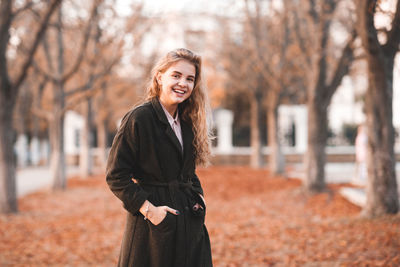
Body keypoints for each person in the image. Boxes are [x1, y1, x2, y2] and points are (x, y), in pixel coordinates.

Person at [106, 48, 213, 267]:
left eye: (189, 79)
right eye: (176, 75)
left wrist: (198, 199)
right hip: (153, 228)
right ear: (159, 76)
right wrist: (150, 211)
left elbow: (188, 172)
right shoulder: (140, 118)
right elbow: (116, 175)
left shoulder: (187, 120)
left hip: (189, 223)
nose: (183, 83)